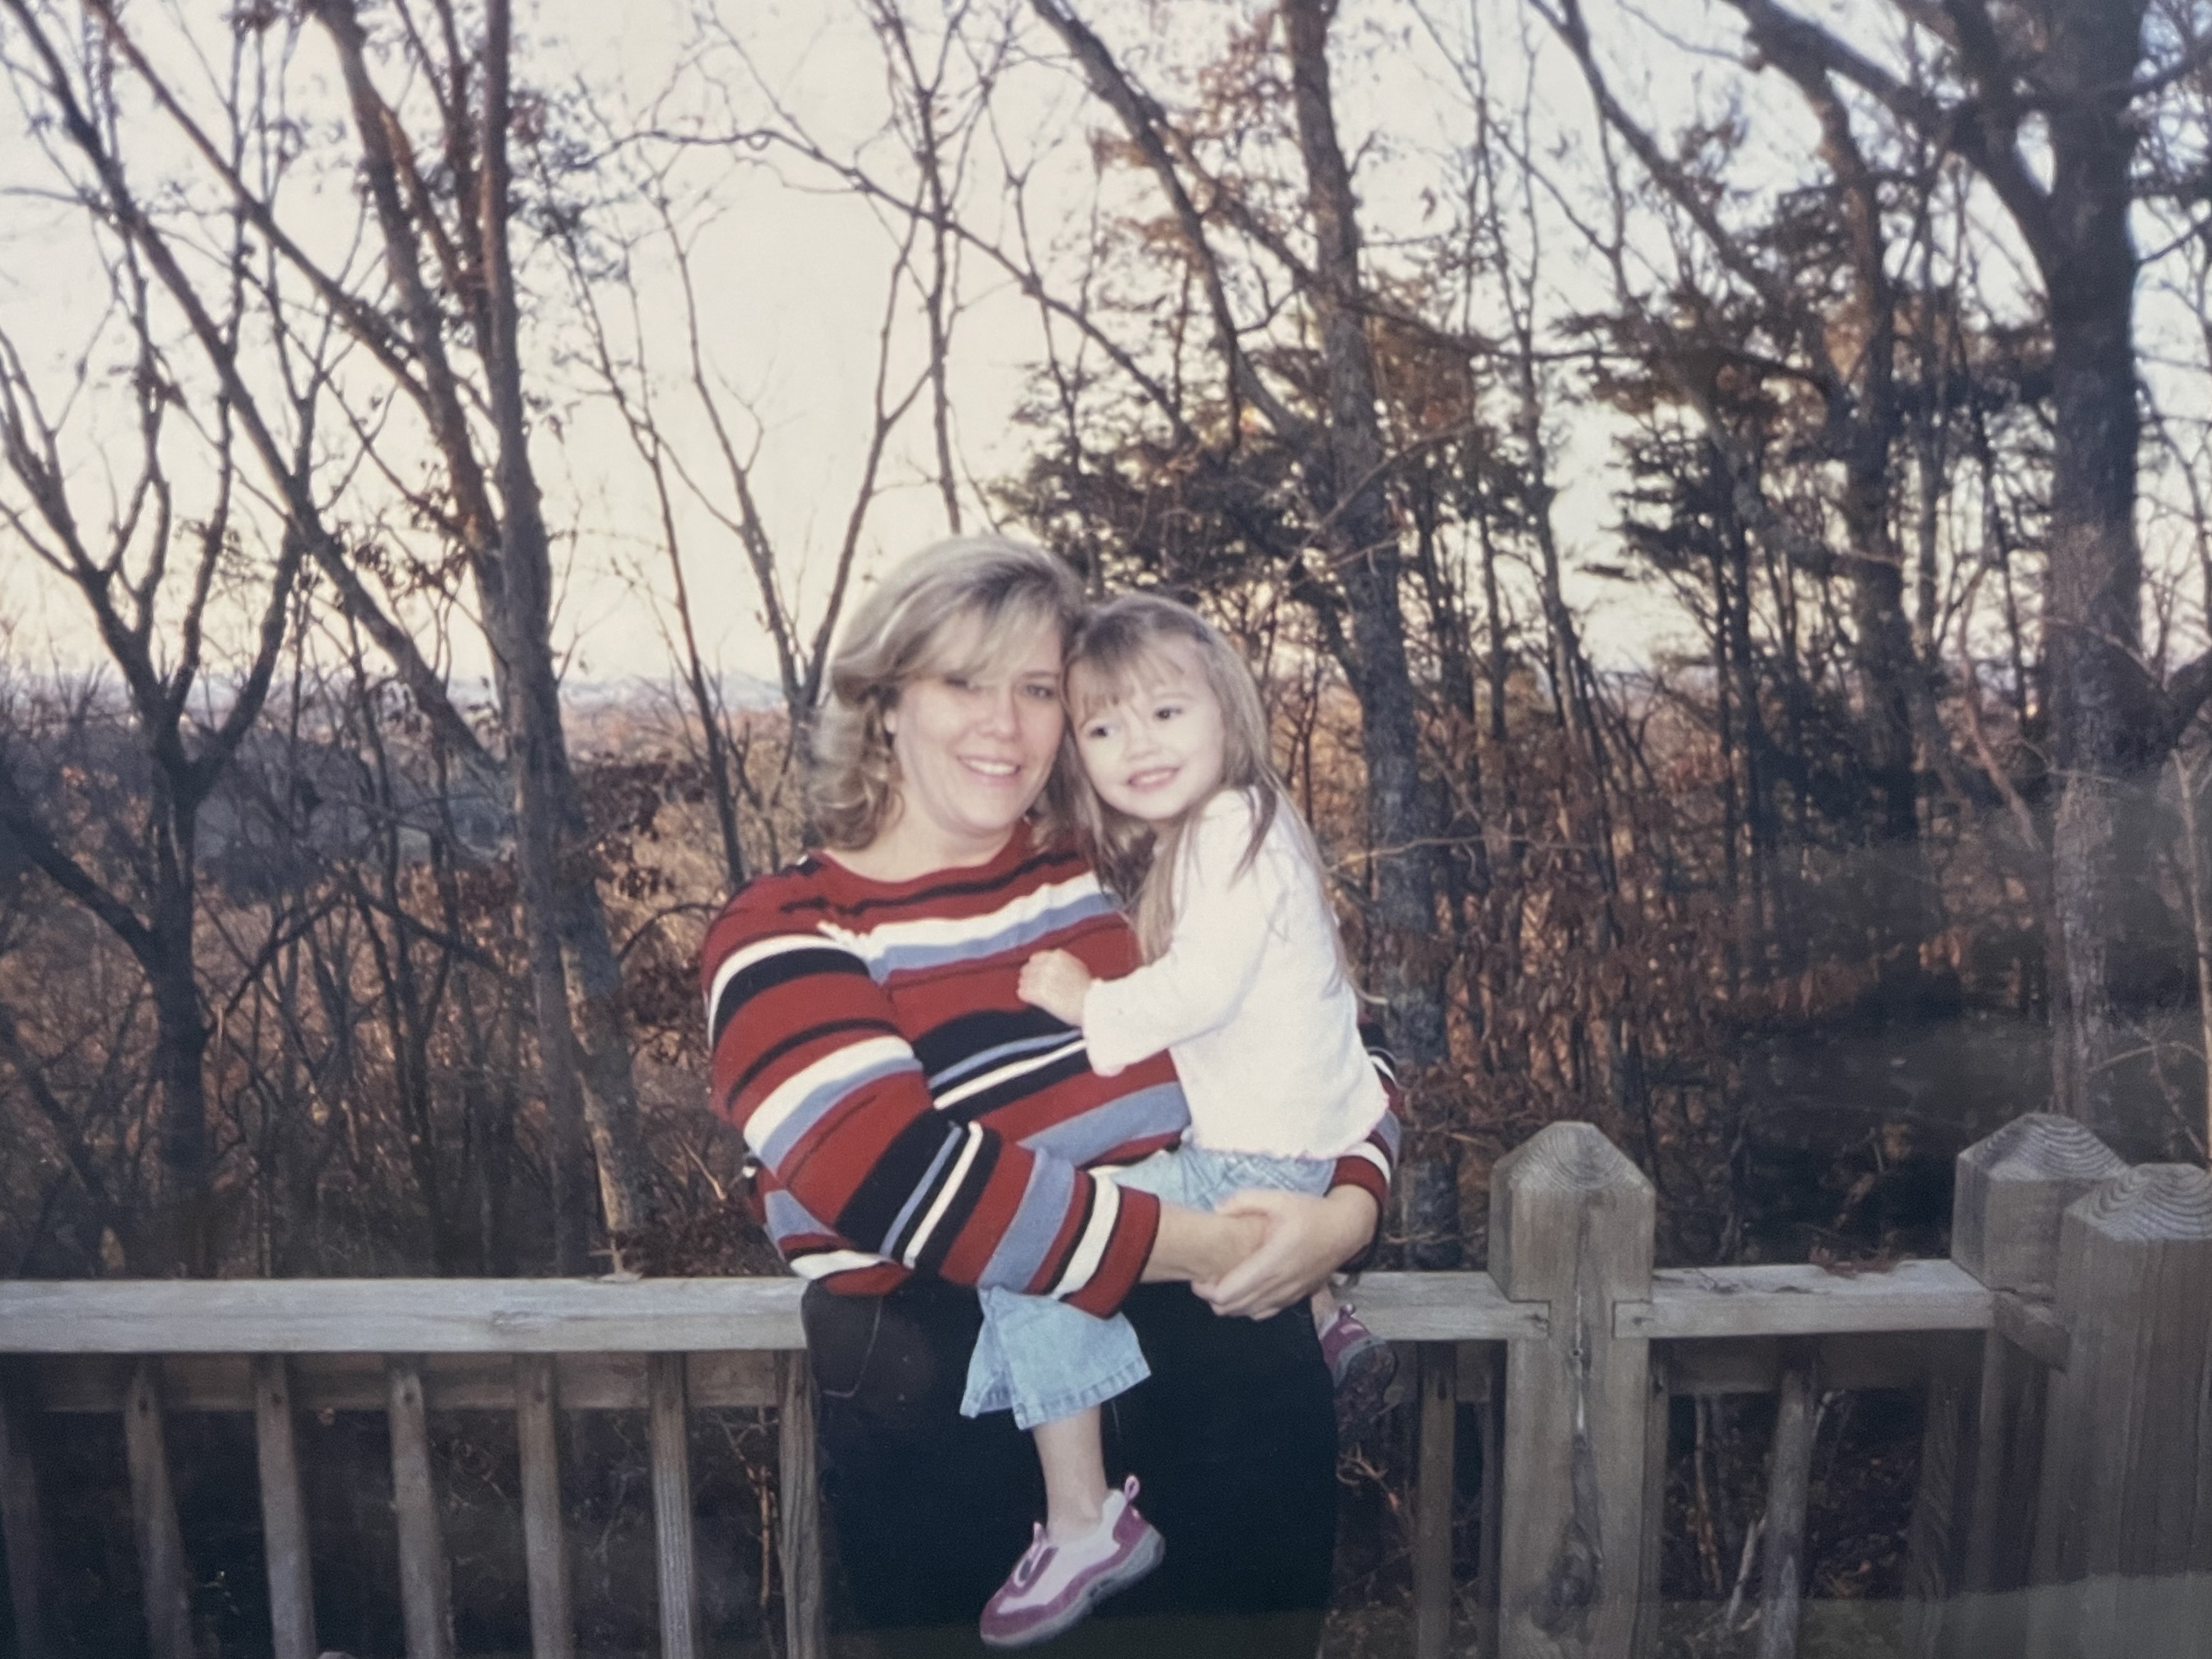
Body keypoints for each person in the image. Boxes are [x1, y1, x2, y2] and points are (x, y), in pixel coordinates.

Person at [699, 537, 1398, 1658]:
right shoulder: (788, 931)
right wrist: (1215, 1245)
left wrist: (1346, 1212)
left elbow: (1323, 1041)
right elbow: (904, 1183)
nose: (1008, 726)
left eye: (1038, 691)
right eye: (965, 683)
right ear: (884, 706)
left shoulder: (1107, 870)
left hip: (1236, 1423)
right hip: (971, 1455)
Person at [961, 595, 1397, 1646]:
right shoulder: (1246, 824)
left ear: (1227, 710)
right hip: (1291, 1148)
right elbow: (1306, 1038)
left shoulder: (1225, 828)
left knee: (1032, 1250)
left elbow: (1200, 989)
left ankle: (1084, 1522)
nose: (1136, 746)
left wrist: (1088, 1002)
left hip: (1259, 1165)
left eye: (1165, 713)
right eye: (1104, 727)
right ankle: (1325, 1313)